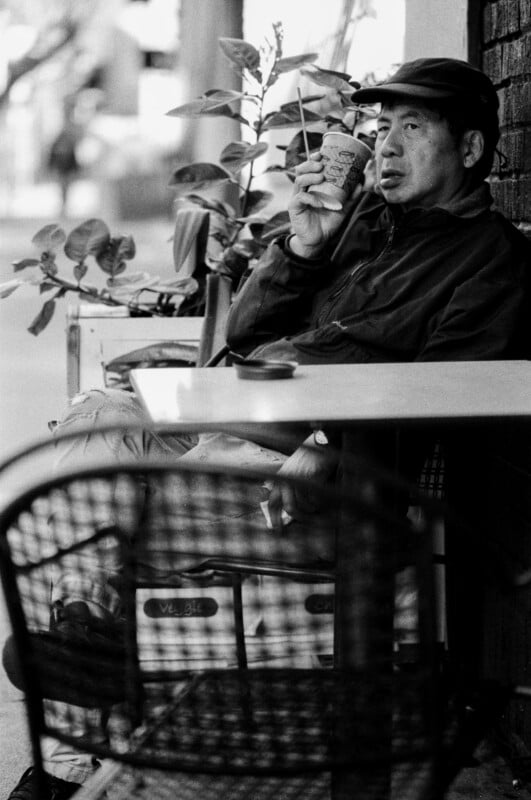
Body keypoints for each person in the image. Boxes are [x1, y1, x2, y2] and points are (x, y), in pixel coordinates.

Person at [4, 57, 531, 800]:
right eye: (382, 128)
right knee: (101, 414)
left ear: (471, 151)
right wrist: (304, 246)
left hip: (336, 491)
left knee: (85, 506)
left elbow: (445, 401)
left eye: (412, 128)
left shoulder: (492, 264)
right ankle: (86, 632)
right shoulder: (364, 225)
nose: (385, 145)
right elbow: (239, 340)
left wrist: (326, 447)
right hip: (243, 431)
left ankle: (66, 744)